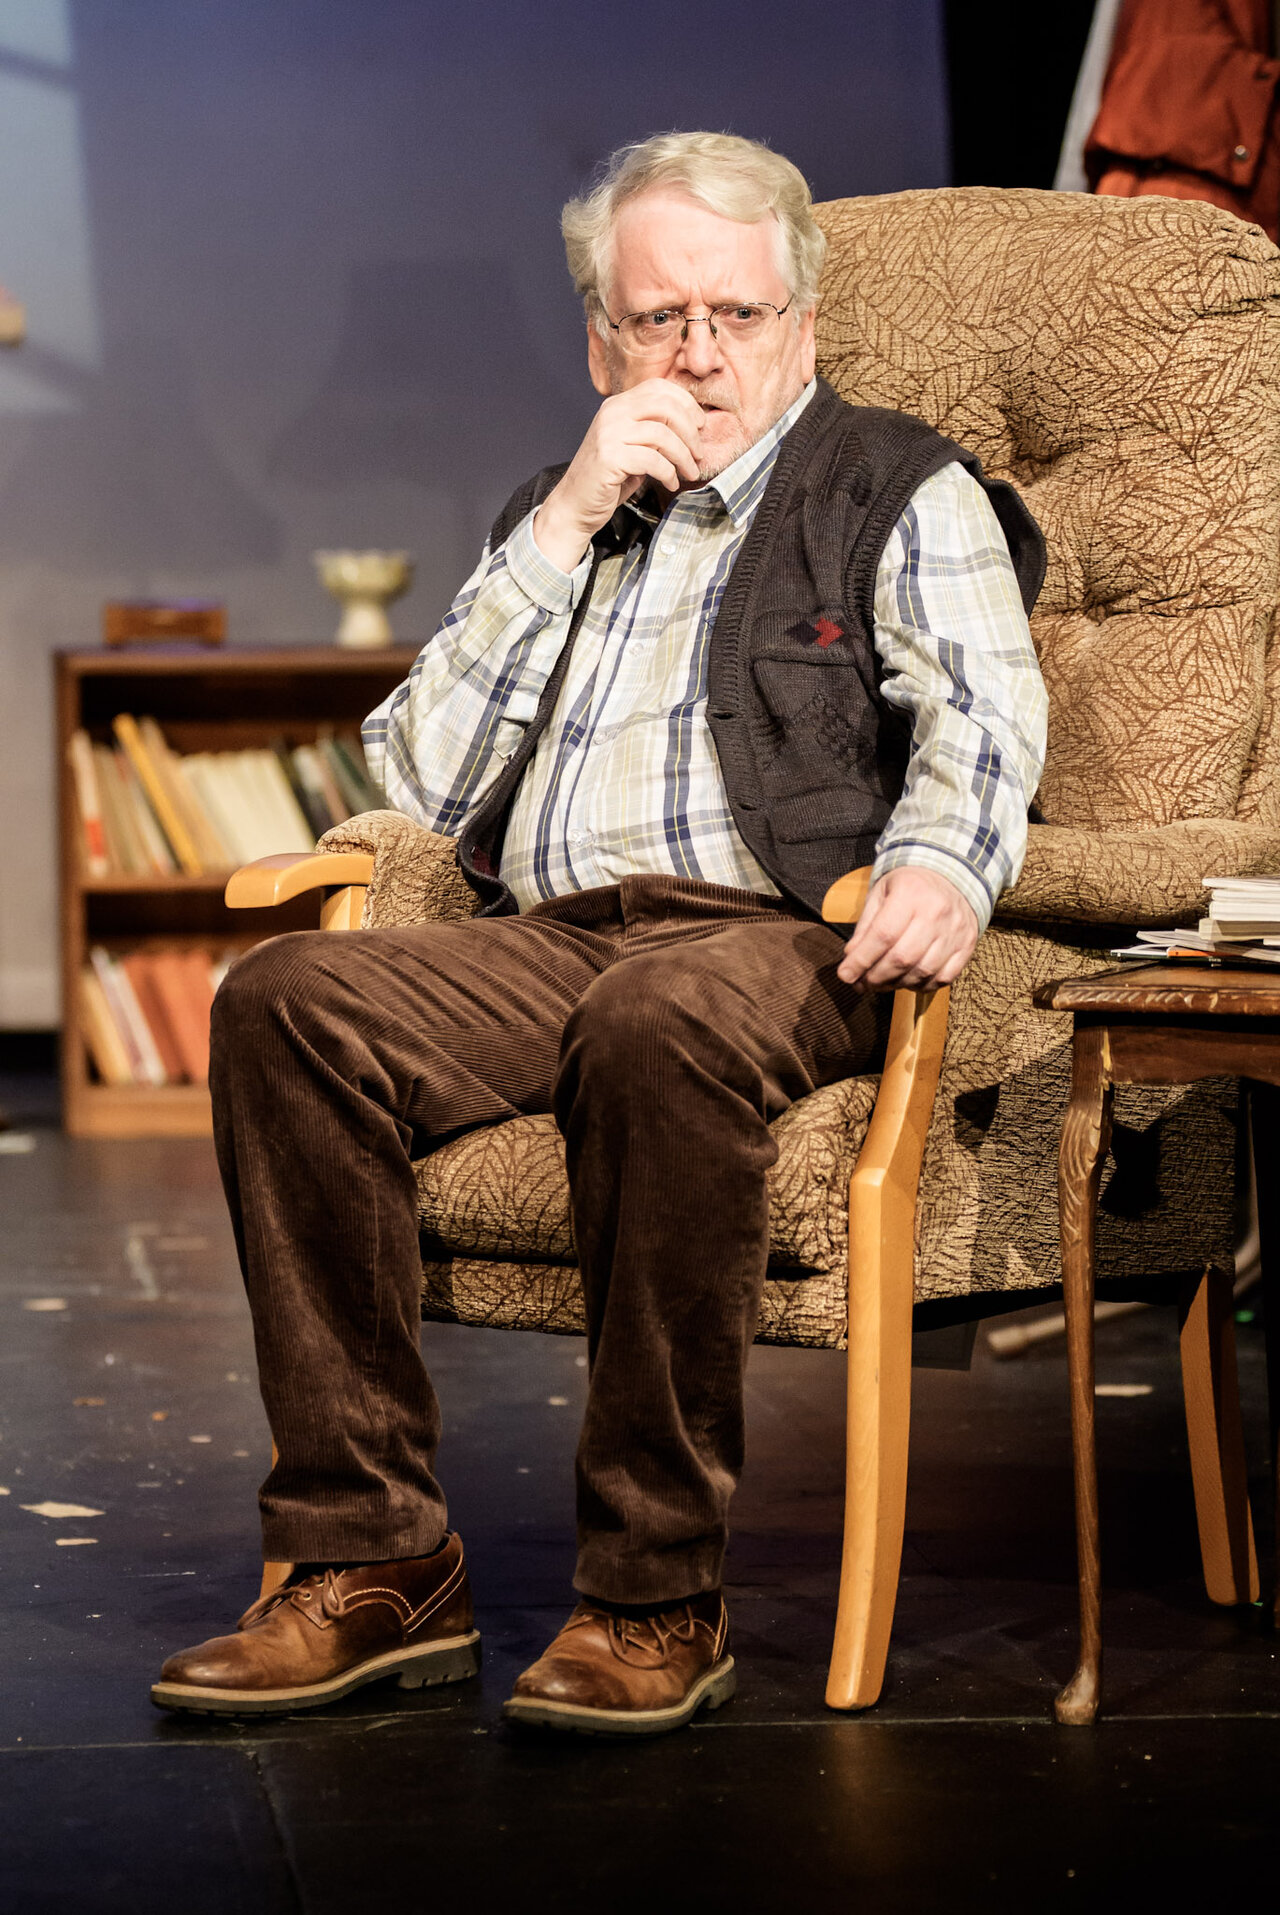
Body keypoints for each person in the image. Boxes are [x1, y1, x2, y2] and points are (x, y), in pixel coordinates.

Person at [153, 132, 1048, 1735]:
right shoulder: (563, 515)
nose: (698, 355)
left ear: (801, 325)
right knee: (285, 998)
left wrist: (942, 868)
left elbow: (982, 716)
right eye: (657, 320)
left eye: (736, 314)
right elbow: (417, 778)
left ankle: (652, 1593)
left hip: (788, 935)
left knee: (664, 1016)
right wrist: (564, 518)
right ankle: (368, 1561)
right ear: (599, 343)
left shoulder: (894, 486)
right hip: (557, 937)